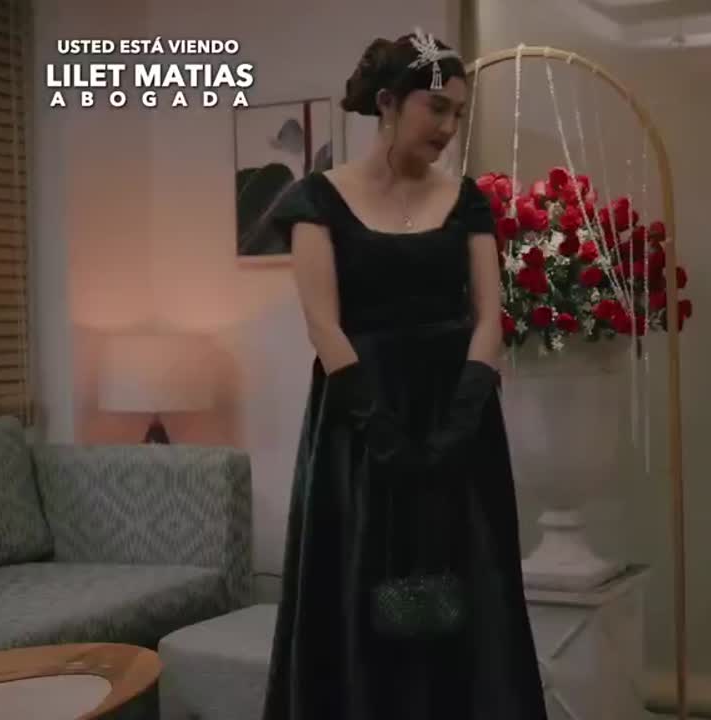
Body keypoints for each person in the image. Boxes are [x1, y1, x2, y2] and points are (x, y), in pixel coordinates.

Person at [261, 30, 548, 720]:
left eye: (458, 113)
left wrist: (459, 422)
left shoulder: (466, 199)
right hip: (359, 425)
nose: (449, 127)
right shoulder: (315, 200)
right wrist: (381, 432)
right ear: (388, 103)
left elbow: (490, 316)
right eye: (436, 108)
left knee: (468, 589)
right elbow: (323, 325)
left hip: (459, 420)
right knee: (362, 588)